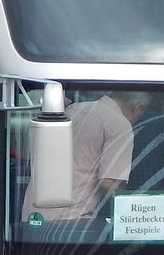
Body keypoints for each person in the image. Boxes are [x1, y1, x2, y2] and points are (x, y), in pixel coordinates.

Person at [24, 90, 149, 221]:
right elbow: (108, 183)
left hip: (33, 215)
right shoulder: (120, 125)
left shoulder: (73, 109)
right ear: (138, 108)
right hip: (70, 222)